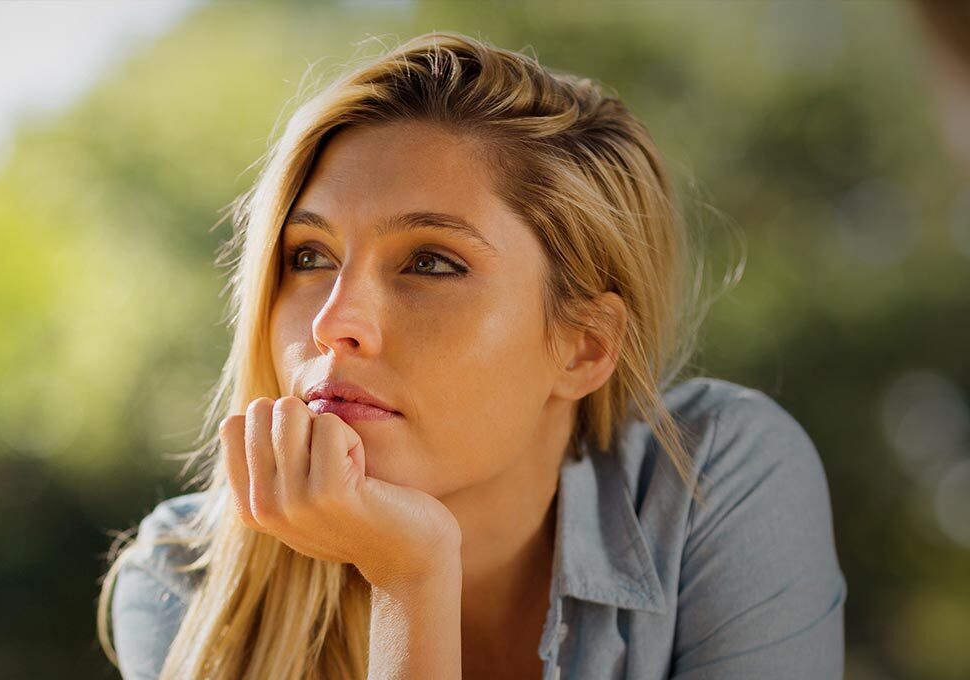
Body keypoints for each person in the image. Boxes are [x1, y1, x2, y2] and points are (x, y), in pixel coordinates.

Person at [95, 32, 844, 679]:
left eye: (430, 263)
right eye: (310, 255)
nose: (334, 323)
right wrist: (411, 580)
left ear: (585, 346)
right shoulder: (185, 582)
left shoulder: (714, 480)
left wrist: (410, 577)